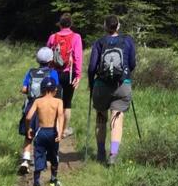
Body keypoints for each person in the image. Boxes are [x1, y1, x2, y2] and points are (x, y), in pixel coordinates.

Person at [88, 14, 136, 166]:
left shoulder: (99, 42)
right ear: (118, 26)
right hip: (122, 85)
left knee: (101, 118)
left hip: (101, 85)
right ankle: (113, 154)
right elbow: (132, 63)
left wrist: (91, 84)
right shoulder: (127, 41)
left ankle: (101, 153)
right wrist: (126, 74)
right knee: (117, 119)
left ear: (105, 26)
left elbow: (92, 67)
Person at [18, 47, 59, 175]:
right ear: (51, 60)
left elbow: (24, 89)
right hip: (46, 107)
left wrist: (31, 91)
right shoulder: (53, 73)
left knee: (28, 135)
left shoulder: (31, 72)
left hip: (31, 105)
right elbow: (55, 89)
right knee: (45, 133)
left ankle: (25, 160)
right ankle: (42, 160)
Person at [24, 77, 64, 186]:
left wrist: (28, 129)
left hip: (40, 132)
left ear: (42, 89)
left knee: (38, 157)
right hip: (52, 133)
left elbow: (28, 117)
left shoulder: (38, 101)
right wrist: (60, 133)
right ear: (54, 90)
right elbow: (61, 117)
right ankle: (53, 182)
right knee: (54, 157)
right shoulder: (58, 102)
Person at [46, 13, 83, 139]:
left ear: (60, 24)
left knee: (54, 101)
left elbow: (47, 55)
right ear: (70, 24)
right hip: (69, 73)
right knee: (67, 103)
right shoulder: (76, 37)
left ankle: (53, 128)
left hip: (54, 73)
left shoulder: (53, 37)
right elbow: (78, 57)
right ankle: (64, 131)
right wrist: (78, 75)